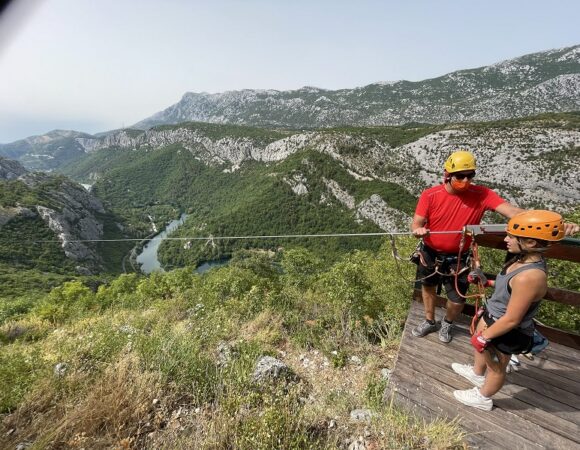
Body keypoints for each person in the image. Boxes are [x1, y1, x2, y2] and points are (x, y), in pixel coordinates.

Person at [451, 210, 566, 411]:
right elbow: (510, 288)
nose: (506, 239)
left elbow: (512, 319)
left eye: (511, 236)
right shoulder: (520, 261)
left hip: (507, 329)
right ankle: (477, 374)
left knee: (496, 367)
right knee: (483, 355)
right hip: (494, 317)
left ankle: (483, 397)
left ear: (530, 243)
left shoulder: (530, 277)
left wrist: (485, 337)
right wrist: (488, 282)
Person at [410, 150, 524, 343]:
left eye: (470, 176)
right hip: (430, 252)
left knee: (457, 298)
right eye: (460, 176)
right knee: (428, 286)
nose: (465, 180)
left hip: (459, 256)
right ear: (447, 175)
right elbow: (417, 223)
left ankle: (447, 322)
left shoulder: (482, 195)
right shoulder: (430, 195)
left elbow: (512, 211)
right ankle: (429, 321)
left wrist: (546, 221)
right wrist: (418, 230)